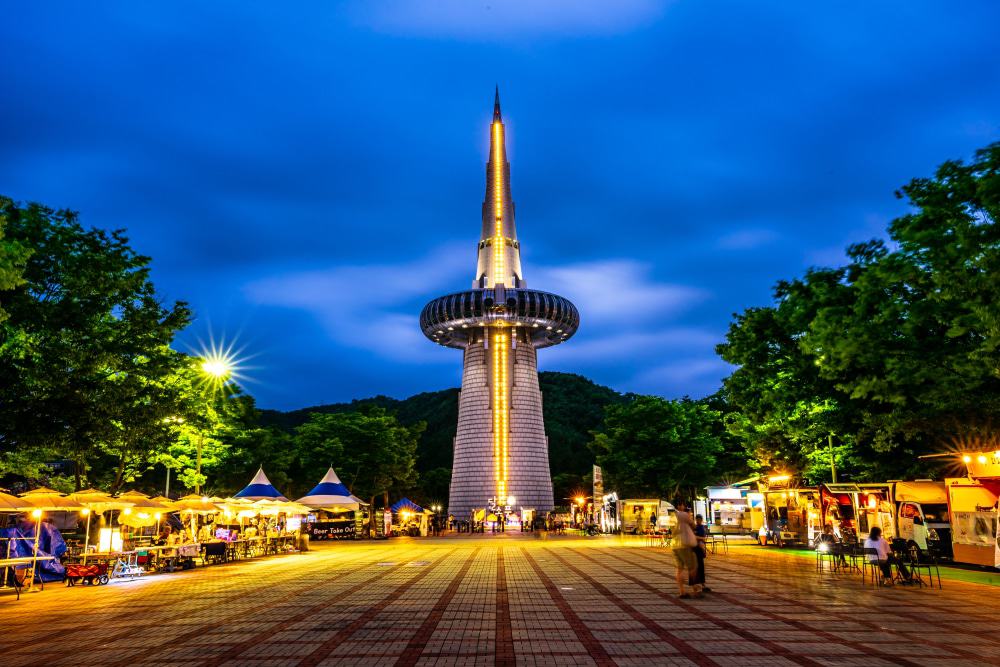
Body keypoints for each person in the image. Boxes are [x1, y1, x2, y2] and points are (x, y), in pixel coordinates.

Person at [671, 501, 702, 599]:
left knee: (680, 569)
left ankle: (682, 591)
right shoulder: (683, 515)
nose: (684, 506)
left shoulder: (672, 516)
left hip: (675, 545)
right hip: (684, 544)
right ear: (680, 505)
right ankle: (695, 588)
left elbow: (672, 530)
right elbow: (693, 525)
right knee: (693, 566)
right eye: (683, 504)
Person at [690, 514, 711, 592]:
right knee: (696, 567)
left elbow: (703, 538)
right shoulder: (695, 527)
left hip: (699, 549)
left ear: (701, 520)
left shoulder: (701, 527)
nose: (698, 521)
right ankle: (697, 585)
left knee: (700, 567)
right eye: (697, 520)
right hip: (694, 548)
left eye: (699, 520)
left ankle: (702, 584)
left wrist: (695, 537)